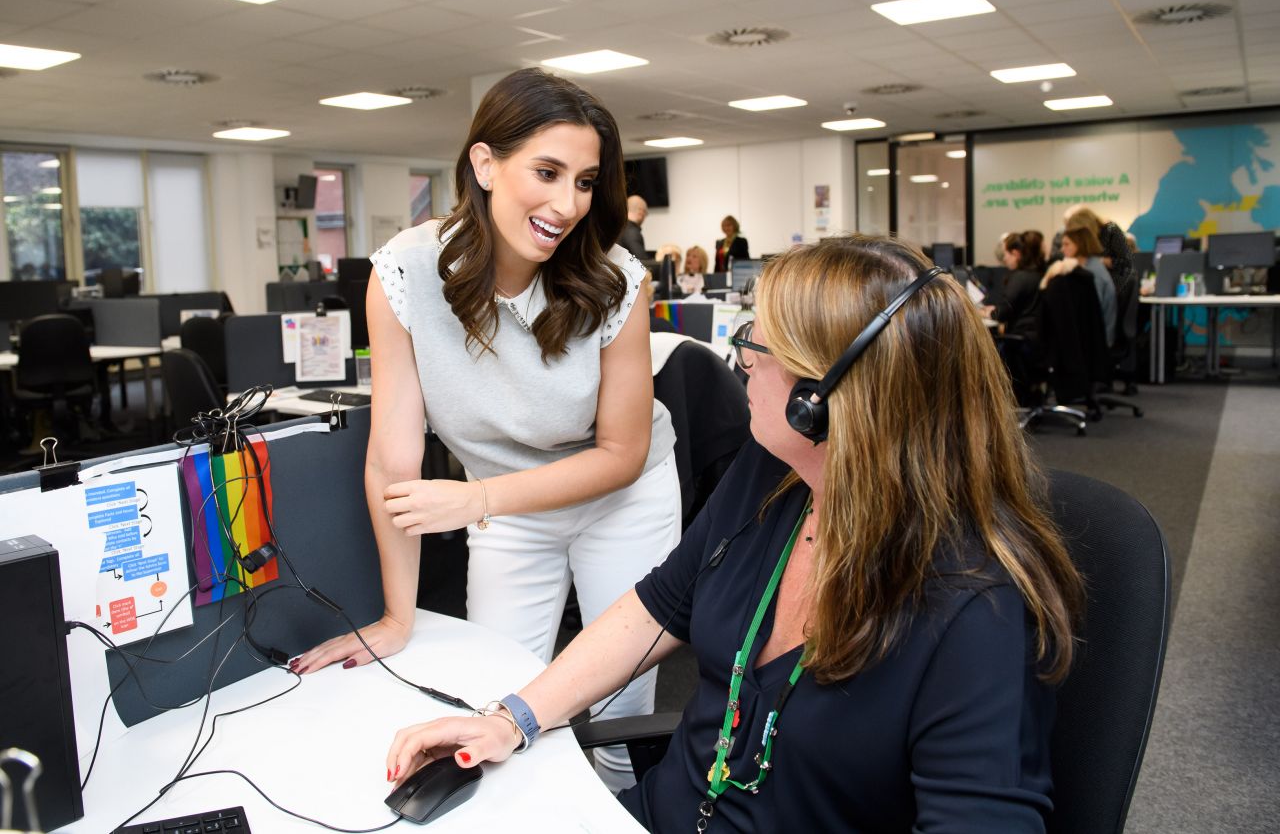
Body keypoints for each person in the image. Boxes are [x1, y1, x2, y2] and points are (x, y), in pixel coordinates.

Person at [385, 234, 1085, 832]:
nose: (741, 355)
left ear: (824, 399)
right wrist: (510, 718)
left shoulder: (975, 613)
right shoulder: (772, 477)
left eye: (761, 342)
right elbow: (658, 605)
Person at [293, 68, 680, 793]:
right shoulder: (406, 272)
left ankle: (627, 807)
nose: (568, 204)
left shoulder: (615, 278)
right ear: (484, 163)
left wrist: (477, 501)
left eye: (587, 181)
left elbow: (622, 454)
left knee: (619, 712)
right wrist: (396, 615)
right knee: (498, 689)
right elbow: (392, 464)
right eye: (547, 172)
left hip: (618, 499)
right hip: (509, 510)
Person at [1043, 218, 1119, 346]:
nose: (1062, 249)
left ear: (1079, 245)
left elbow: (1090, 317)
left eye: (1066, 244)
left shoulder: (1092, 273)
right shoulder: (1090, 267)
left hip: (1096, 343)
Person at [986, 232, 1043, 340]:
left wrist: (988, 312)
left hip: (1020, 341)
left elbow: (1002, 313)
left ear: (1015, 254)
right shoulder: (1037, 274)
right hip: (1034, 339)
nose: (1004, 259)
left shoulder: (1019, 278)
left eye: (1006, 254)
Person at [619, 195, 648, 259]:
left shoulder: (618, 228)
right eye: (646, 213)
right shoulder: (632, 232)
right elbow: (643, 262)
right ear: (641, 212)